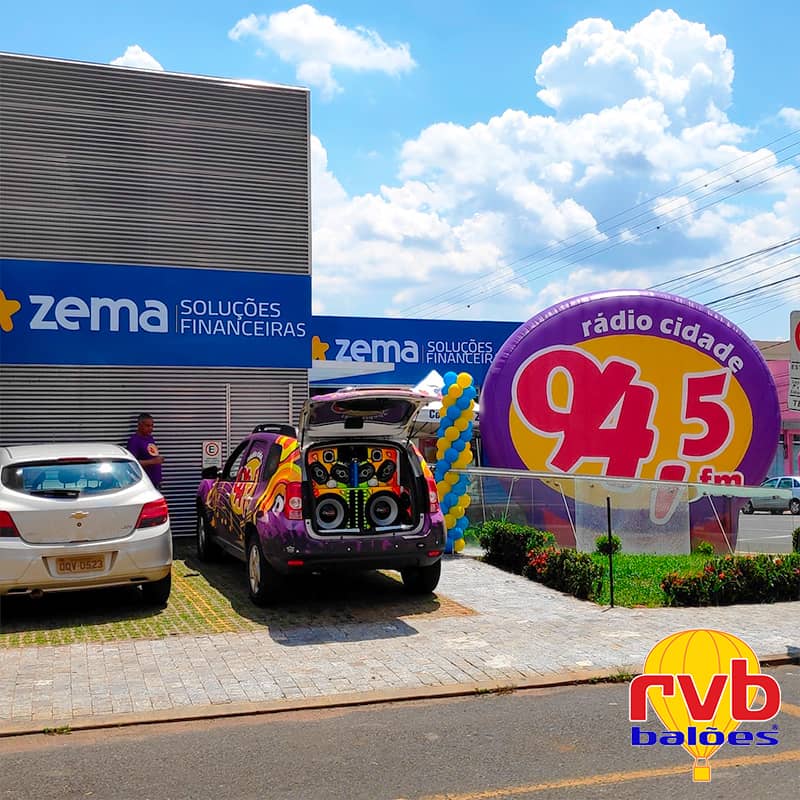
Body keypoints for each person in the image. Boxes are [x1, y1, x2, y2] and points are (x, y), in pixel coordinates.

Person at [127, 413, 164, 489]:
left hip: (155, 481)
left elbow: (151, 455)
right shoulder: (134, 441)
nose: (151, 428)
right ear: (139, 425)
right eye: (148, 426)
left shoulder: (150, 438)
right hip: (145, 484)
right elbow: (132, 463)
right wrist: (153, 461)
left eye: (152, 426)